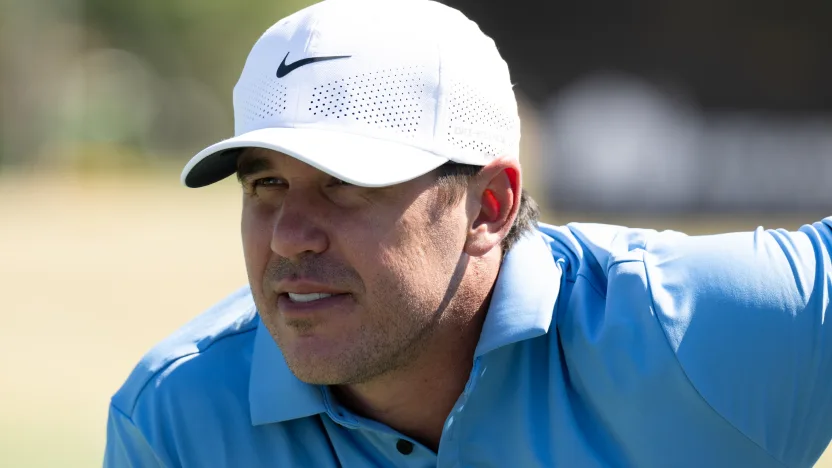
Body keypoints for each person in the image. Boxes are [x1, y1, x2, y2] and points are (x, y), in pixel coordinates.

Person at [103, 0, 832, 466]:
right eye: (265, 184)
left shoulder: (689, 334)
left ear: (489, 206)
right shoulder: (175, 419)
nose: (290, 235)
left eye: (345, 185)